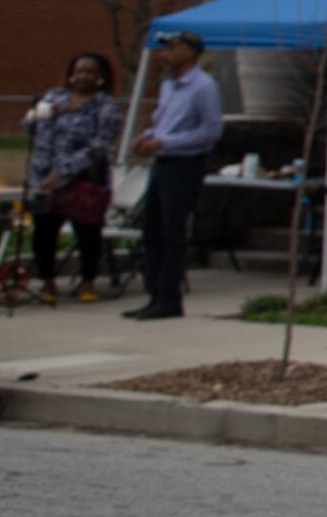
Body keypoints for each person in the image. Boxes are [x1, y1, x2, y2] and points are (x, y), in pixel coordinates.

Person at [125, 30, 222, 321]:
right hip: (161, 163)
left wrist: (166, 143)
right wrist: (146, 138)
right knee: (151, 229)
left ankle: (170, 298)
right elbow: (163, 122)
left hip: (184, 165)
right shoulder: (169, 86)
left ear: (191, 51)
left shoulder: (203, 87)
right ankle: (154, 294)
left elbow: (210, 132)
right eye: (162, 49)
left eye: (171, 48)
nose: (164, 54)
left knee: (171, 232)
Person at [23, 52, 120, 303]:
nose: (83, 76)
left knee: (87, 232)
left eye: (90, 72)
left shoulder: (105, 107)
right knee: (44, 232)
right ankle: (48, 283)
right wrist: (38, 114)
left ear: (100, 77)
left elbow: (99, 146)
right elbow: (29, 128)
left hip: (83, 179)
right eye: (79, 71)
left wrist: (65, 171)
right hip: (43, 177)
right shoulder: (55, 97)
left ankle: (87, 282)